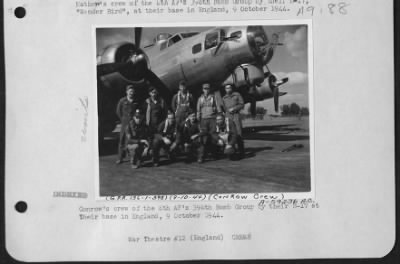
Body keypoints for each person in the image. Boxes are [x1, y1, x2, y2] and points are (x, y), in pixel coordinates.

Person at [115, 85, 141, 164]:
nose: (131, 93)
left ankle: (132, 156)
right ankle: (120, 157)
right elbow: (118, 111)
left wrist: (135, 119)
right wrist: (123, 119)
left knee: (132, 138)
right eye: (129, 91)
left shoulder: (136, 101)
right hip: (125, 122)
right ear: (126, 92)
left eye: (132, 91)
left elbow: (138, 112)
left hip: (133, 123)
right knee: (122, 139)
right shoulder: (122, 101)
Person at [222, 83, 245, 158]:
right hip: (228, 117)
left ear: (231, 89)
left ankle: (241, 152)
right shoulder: (224, 98)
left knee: (239, 133)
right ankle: (233, 152)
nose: (228, 89)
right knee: (230, 134)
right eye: (226, 88)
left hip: (236, 116)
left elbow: (242, 104)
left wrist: (234, 108)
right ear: (225, 90)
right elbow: (223, 108)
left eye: (229, 88)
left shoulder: (237, 95)